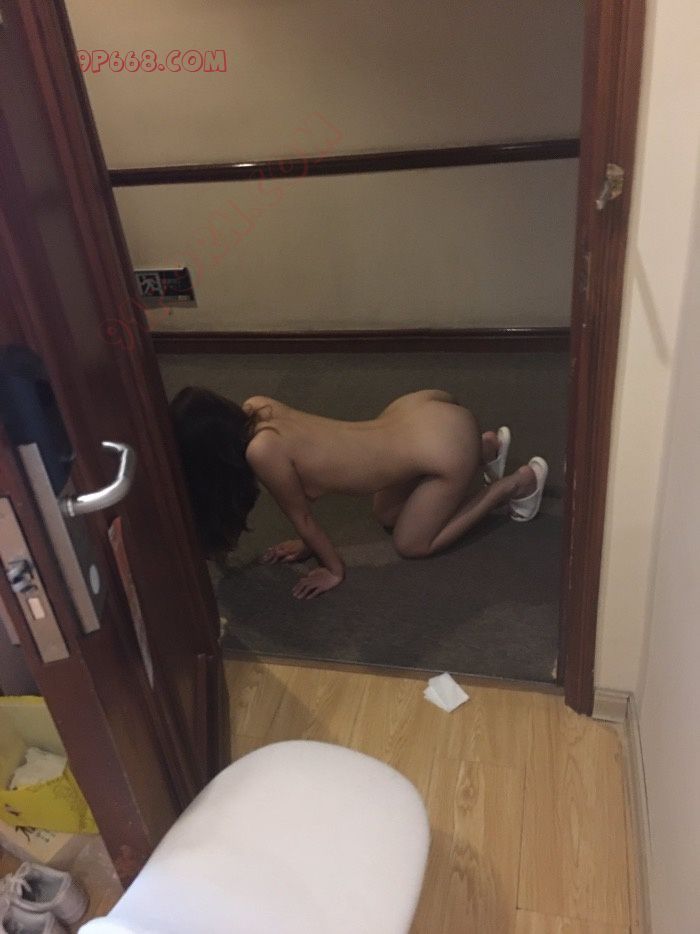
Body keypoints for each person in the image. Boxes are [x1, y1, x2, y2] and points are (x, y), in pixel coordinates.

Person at [171, 387, 548, 599]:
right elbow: (311, 466)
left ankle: (515, 484)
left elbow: (302, 515)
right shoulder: (257, 406)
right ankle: (486, 447)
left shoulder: (261, 453)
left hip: (445, 443)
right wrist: (305, 546)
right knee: (386, 515)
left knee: (412, 543)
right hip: (421, 408)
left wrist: (333, 570)